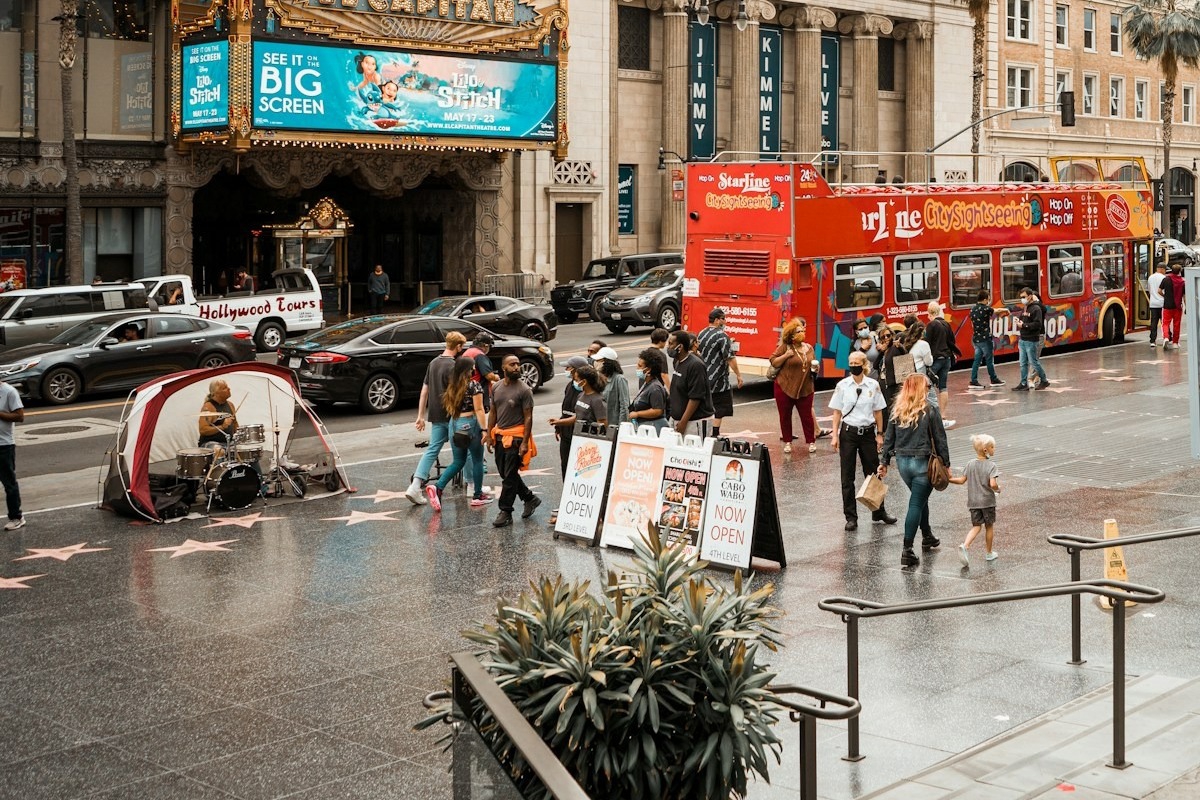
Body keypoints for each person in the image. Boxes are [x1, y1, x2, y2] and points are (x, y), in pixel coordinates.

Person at [878, 373, 950, 566]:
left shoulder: (897, 409)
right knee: (916, 504)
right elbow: (940, 438)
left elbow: (888, 438)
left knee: (920, 499)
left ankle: (927, 535)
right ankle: (907, 549)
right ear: (920, 388)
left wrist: (884, 461)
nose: (928, 390)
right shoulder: (930, 409)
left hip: (903, 464)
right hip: (922, 463)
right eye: (927, 387)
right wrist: (946, 464)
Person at [829, 350, 896, 532]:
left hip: (867, 433)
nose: (853, 365)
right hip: (848, 433)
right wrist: (835, 435)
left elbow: (878, 411)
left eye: (857, 362)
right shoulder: (843, 385)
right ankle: (851, 517)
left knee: (874, 473)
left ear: (863, 364)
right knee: (847, 477)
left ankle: (879, 511)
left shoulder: (872, 385)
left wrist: (879, 434)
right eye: (851, 362)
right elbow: (836, 412)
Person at [406, 331, 467, 505]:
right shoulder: (454, 366)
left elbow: (424, 390)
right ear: (458, 346)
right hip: (453, 416)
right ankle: (472, 486)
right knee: (465, 451)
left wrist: (420, 416)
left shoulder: (433, 363)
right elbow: (458, 393)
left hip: (435, 413)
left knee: (432, 449)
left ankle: (415, 486)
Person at [426, 356, 491, 510]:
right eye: (473, 367)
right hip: (471, 423)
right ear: (469, 370)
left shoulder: (451, 386)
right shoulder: (474, 385)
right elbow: (479, 409)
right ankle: (477, 495)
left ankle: (438, 487)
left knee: (458, 461)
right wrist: (484, 429)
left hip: (454, 424)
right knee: (477, 460)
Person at [488, 355, 539, 527]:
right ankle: (529, 498)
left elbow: (528, 417)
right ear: (504, 368)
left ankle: (506, 511)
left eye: (518, 364)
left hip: (516, 438)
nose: (517, 367)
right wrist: (489, 434)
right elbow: (493, 412)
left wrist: (524, 442)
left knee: (509, 477)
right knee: (505, 473)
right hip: (500, 436)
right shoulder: (496, 387)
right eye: (512, 364)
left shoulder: (524, 390)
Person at [948, 433, 1001, 567]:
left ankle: (965, 545)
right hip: (987, 502)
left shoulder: (970, 464)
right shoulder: (991, 465)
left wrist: (947, 479)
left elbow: (961, 480)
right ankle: (989, 553)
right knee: (989, 526)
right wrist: (998, 489)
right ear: (986, 450)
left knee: (976, 526)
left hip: (973, 502)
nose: (994, 449)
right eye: (992, 447)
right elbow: (993, 484)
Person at [547, 355, 587, 525]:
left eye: (569, 368)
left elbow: (580, 416)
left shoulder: (586, 389)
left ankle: (581, 502)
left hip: (579, 433)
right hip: (566, 432)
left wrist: (560, 422)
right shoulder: (569, 386)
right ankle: (567, 499)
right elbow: (565, 408)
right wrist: (559, 427)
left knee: (580, 470)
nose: (566, 371)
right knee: (565, 466)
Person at [770, 318, 819, 454]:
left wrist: (816, 368)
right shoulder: (785, 347)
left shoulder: (809, 348)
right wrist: (786, 356)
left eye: (802, 331)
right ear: (791, 335)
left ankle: (811, 441)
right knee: (785, 415)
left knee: (806, 415)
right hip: (784, 386)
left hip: (805, 387)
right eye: (798, 332)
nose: (802, 333)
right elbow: (773, 361)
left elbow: (812, 364)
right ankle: (787, 442)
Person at [697, 308, 743, 438]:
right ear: (717, 320)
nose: (725, 321)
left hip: (704, 375)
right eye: (723, 318)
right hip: (719, 379)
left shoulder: (701, 333)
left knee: (705, 406)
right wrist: (739, 375)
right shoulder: (722, 336)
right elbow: (729, 358)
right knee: (720, 407)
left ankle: (704, 432)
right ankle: (715, 434)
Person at [667, 330, 713, 437]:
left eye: (671, 344)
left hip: (694, 422)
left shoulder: (695, 365)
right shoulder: (678, 362)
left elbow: (696, 397)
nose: (668, 347)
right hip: (677, 421)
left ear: (680, 347)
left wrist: (683, 422)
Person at [923, 301, 959, 427]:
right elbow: (952, 341)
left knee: (926, 384)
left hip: (936, 359)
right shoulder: (946, 324)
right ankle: (943, 416)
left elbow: (927, 343)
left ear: (930, 313)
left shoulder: (931, 325)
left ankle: (931, 416)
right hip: (947, 358)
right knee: (943, 387)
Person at [1012, 287, 1049, 390]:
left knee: (1034, 362)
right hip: (1023, 338)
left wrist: (1024, 325)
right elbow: (1023, 319)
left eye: (1023, 297)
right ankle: (1023, 383)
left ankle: (1044, 380)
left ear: (1029, 296)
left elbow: (1037, 324)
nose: (1022, 299)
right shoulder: (1025, 307)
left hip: (1032, 340)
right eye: (1021, 297)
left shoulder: (1036, 309)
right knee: (1023, 363)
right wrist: (1018, 321)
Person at [0, 377, 25, 530]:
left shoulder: (9, 392)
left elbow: (19, 416)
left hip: (4, 445)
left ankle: (16, 517)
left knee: (9, 483)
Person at [967, 289, 1005, 388]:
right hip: (985, 338)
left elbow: (972, 325)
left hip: (976, 339)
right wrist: (1006, 310)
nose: (988, 302)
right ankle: (993, 379)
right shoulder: (986, 309)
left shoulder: (972, 309)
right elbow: (997, 311)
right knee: (989, 360)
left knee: (977, 361)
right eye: (988, 300)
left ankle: (973, 380)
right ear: (984, 300)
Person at [629, 348, 669, 432]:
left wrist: (637, 414)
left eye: (640, 366)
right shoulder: (647, 384)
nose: (637, 368)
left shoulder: (655, 388)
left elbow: (658, 410)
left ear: (648, 369)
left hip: (654, 429)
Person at [593, 346, 630, 425]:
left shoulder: (619, 379)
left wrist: (622, 427)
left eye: (599, 361)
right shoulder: (598, 378)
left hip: (613, 425)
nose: (596, 363)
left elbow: (624, 406)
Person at [198, 379, 239, 448]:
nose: (229, 389)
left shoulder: (230, 405)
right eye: (224, 388)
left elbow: (235, 425)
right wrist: (222, 426)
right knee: (218, 450)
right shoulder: (208, 407)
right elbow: (203, 430)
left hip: (229, 442)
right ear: (216, 393)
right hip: (211, 442)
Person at [1161, 264, 1186, 349]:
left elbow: (1159, 290)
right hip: (1177, 306)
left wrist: (1165, 296)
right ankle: (1175, 342)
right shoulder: (1182, 282)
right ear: (1179, 271)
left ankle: (1166, 337)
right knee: (1176, 324)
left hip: (1167, 305)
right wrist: (1186, 306)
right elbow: (1184, 296)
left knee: (1165, 323)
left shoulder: (1166, 279)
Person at [1148, 261, 1168, 348]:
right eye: (1165, 270)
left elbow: (1149, 289)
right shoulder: (1164, 278)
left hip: (1153, 303)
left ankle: (1152, 341)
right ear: (1162, 269)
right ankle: (1167, 337)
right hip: (1162, 303)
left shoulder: (1150, 277)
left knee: (1154, 322)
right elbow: (1165, 291)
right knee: (1164, 322)